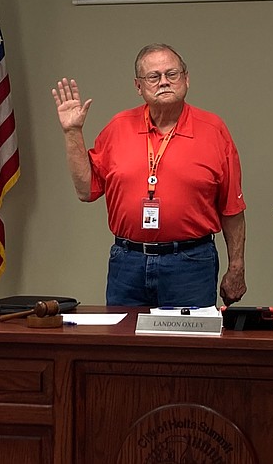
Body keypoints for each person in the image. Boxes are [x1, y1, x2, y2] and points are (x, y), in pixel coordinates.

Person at [52, 43, 246, 307]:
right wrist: (72, 132)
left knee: (189, 348)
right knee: (126, 346)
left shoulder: (213, 130)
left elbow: (232, 208)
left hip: (190, 263)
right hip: (127, 263)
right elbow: (86, 190)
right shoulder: (118, 127)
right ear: (138, 86)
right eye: (153, 77)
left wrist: (237, 267)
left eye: (172, 74)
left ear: (186, 79)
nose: (164, 82)